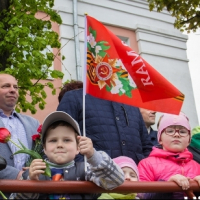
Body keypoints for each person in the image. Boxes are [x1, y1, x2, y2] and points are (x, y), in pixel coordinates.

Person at [11, 111, 124, 199]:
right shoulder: (33, 172)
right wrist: (30, 182)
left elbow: (115, 181)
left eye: (67, 140)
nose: (60, 145)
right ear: (44, 148)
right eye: (53, 140)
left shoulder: (86, 170)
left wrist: (93, 156)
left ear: (78, 147)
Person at [57, 88, 153, 164]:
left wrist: (139, 171)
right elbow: (58, 141)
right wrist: (90, 167)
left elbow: (146, 147)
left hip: (133, 183)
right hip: (91, 183)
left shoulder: (131, 105)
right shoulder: (75, 98)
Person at [138, 112, 200, 199]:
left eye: (182, 132)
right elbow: (140, 195)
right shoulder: (146, 164)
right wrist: (167, 185)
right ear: (160, 139)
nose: (176, 134)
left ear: (189, 140)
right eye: (170, 131)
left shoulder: (197, 166)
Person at [0, 74, 40, 181]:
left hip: (30, 193)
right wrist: (19, 175)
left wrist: (37, 168)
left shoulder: (33, 123)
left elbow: (45, 152)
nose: (13, 90)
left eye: (15, 87)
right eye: (6, 86)